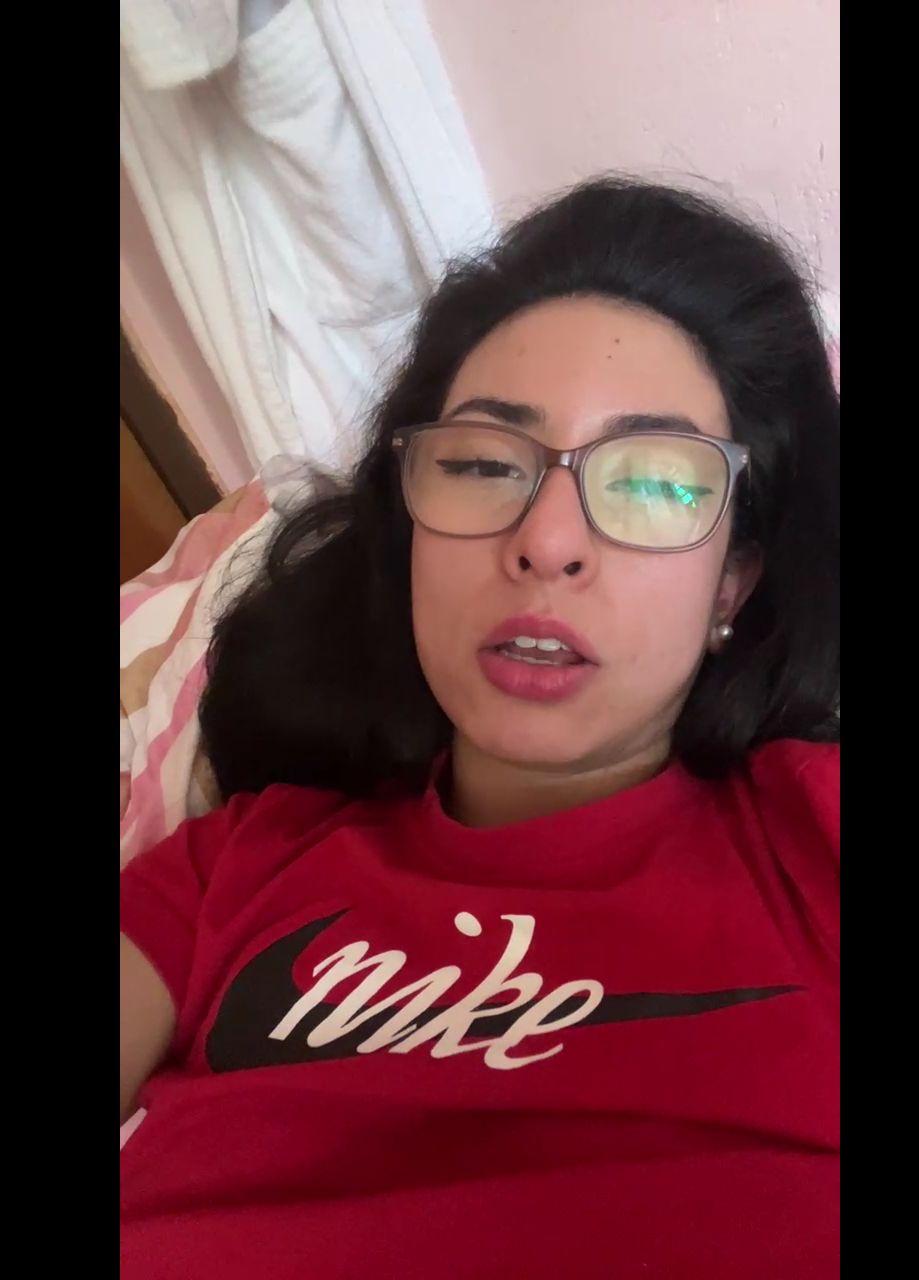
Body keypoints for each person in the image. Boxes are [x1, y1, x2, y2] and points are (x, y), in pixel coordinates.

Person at [120, 177, 840, 1279]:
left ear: (732, 584)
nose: (547, 540)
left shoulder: (810, 841)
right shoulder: (234, 868)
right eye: (482, 464)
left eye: (653, 483)